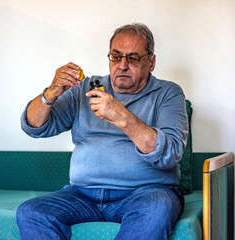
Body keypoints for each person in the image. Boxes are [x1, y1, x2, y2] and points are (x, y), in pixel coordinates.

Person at [17, 23, 188, 240]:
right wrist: (50, 93)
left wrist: (122, 117)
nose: (122, 65)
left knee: (158, 207)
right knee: (32, 212)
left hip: (145, 193)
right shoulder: (85, 88)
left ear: (151, 62)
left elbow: (170, 154)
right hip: (81, 195)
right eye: (116, 57)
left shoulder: (168, 93)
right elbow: (33, 126)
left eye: (133, 58)